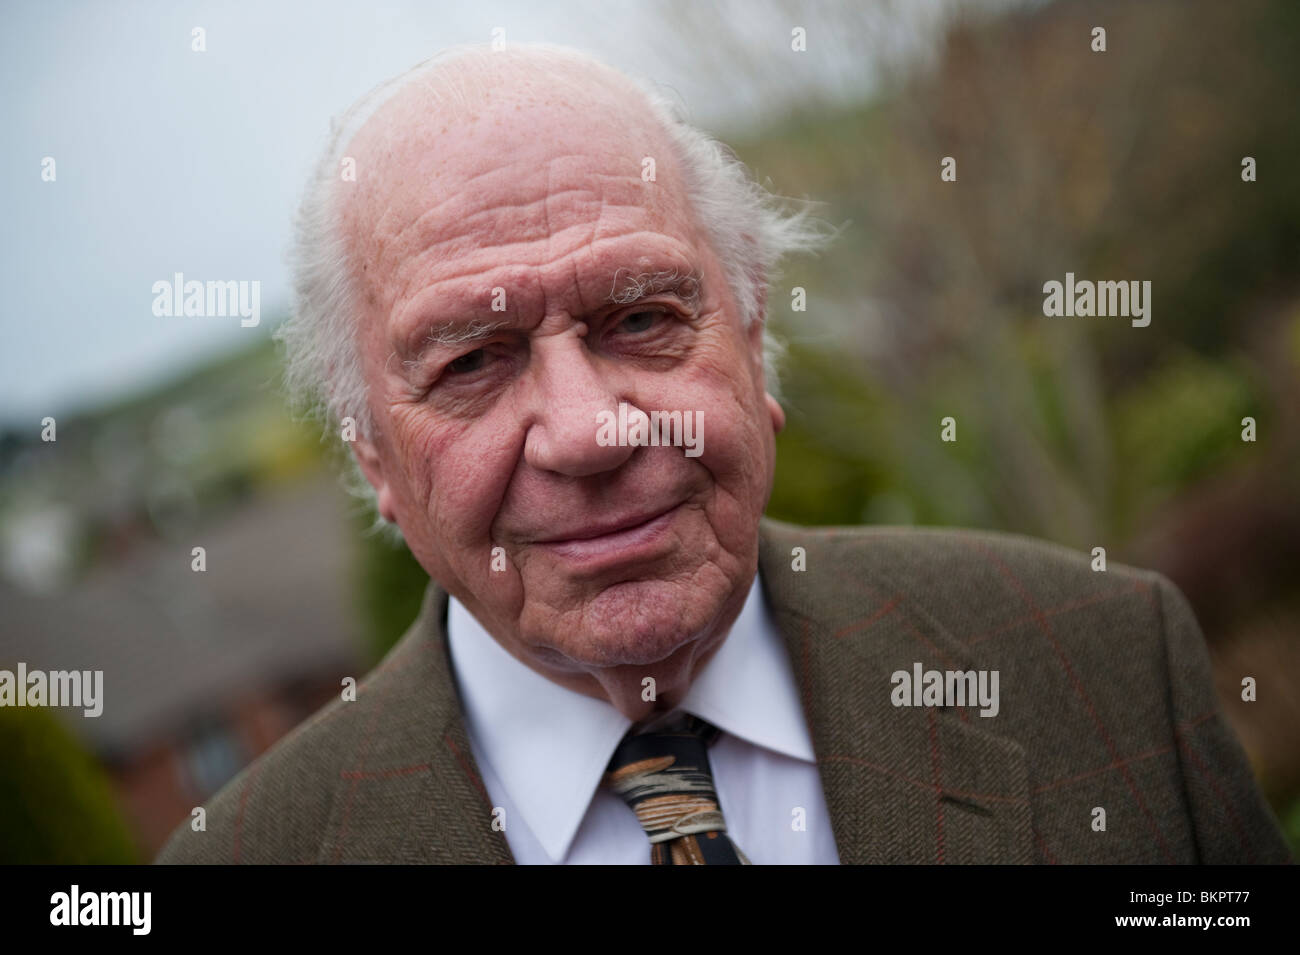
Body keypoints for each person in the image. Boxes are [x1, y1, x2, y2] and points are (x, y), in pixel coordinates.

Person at [156, 42, 1290, 865]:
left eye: (642, 318)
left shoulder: (1102, 657)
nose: (593, 429)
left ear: (755, 346)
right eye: (473, 362)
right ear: (373, 464)